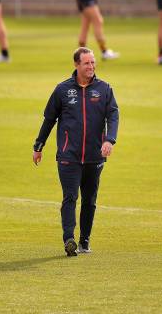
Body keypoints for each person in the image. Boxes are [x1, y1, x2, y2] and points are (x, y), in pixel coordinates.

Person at [33, 47, 119, 256]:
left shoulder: (104, 89)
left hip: (94, 156)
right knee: (70, 197)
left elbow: (113, 116)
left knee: (89, 200)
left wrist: (109, 140)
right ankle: (69, 238)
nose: (91, 67)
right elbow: (49, 119)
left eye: (92, 63)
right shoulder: (62, 90)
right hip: (68, 156)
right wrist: (39, 145)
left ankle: (84, 240)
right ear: (76, 65)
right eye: (86, 63)